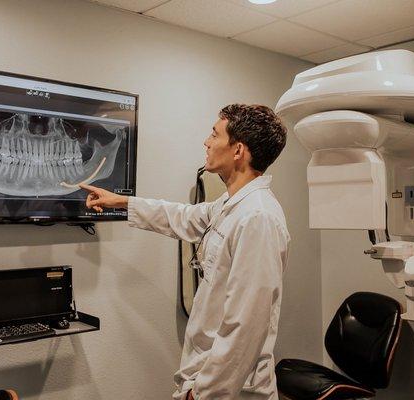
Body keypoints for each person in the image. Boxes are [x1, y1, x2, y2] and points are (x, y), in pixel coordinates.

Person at [80, 104, 290, 400]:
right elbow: (182, 216)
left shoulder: (258, 218)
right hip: (205, 375)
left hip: (229, 390)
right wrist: (121, 202)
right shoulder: (231, 206)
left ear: (238, 150)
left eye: (214, 134)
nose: (206, 142)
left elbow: (245, 328)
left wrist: (204, 394)